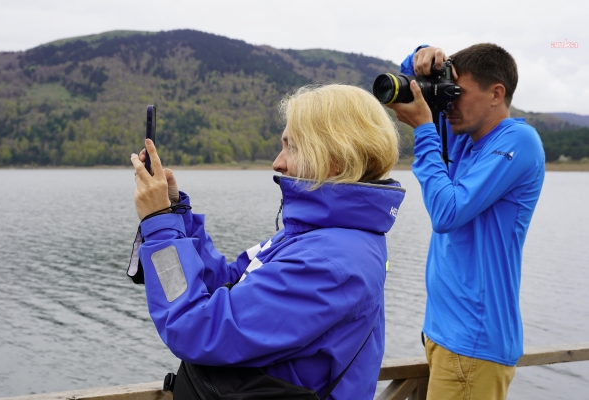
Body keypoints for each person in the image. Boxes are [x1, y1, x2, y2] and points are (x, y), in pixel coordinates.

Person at [129, 83, 406, 399]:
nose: (278, 162)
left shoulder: (330, 263)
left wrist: (160, 228)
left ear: (335, 161)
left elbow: (195, 330)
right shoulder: (318, 237)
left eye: (292, 146)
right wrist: (177, 212)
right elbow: (228, 284)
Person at [387, 44, 545, 400]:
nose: (450, 105)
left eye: (458, 94)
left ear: (496, 94)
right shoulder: (464, 138)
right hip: (444, 335)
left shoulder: (518, 141)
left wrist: (425, 130)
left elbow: (447, 213)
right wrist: (421, 56)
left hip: (473, 342)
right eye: (449, 94)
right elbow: (412, 81)